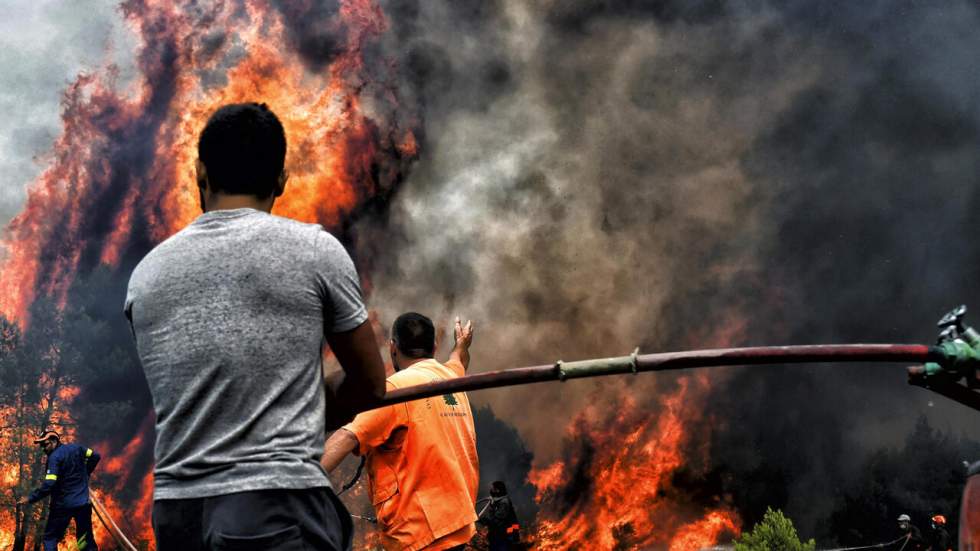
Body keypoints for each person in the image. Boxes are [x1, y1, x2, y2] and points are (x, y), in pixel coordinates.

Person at [125, 102, 387, 551]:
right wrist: (302, 406)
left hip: (176, 513)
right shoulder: (315, 251)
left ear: (200, 173)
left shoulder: (146, 275)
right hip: (276, 506)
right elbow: (371, 384)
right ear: (281, 180)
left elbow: (193, 389)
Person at [321, 313, 479, 550]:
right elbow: (459, 360)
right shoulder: (450, 378)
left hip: (419, 535)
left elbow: (347, 437)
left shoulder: (395, 389)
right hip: (457, 526)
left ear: (393, 347)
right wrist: (461, 344)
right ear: (434, 346)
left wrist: (292, 484)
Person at [21, 430, 101, 551]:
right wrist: (85, 473)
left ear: (54, 441)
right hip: (83, 504)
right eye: (41, 446)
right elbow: (95, 456)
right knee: (85, 541)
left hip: (62, 506)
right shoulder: (77, 448)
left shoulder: (54, 458)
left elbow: (49, 484)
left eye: (45, 444)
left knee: (50, 538)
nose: (43, 449)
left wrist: (31, 498)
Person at [478, 481, 521, 551]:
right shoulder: (499, 501)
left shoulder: (504, 503)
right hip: (502, 535)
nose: (491, 490)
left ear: (497, 490)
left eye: (492, 489)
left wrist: (482, 520)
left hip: (505, 536)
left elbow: (496, 521)